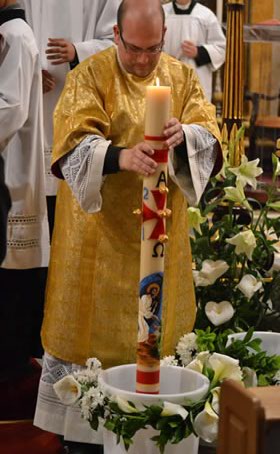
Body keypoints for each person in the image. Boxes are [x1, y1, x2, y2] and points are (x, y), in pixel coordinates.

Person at [34, 0, 221, 451]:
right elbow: (70, 146)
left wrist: (187, 138)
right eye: (134, 48)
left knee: (155, 340)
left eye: (153, 49)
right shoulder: (90, 75)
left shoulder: (179, 76)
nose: (142, 60)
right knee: (89, 344)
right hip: (97, 240)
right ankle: (82, 436)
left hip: (157, 237)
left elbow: (208, 136)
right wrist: (120, 157)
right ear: (116, 36)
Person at [19, 0, 121, 238]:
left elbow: (116, 42)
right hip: (32, 110)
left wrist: (77, 52)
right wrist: (30, 72)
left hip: (81, 108)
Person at [0, 0, 49, 395]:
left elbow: (10, 108)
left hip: (11, 164)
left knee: (12, 267)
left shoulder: (15, 33)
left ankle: (11, 360)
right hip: (7, 161)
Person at [163, 0, 226, 101]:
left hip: (197, 78)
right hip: (167, 77)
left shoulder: (206, 15)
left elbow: (221, 48)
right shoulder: (162, 13)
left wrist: (198, 52)